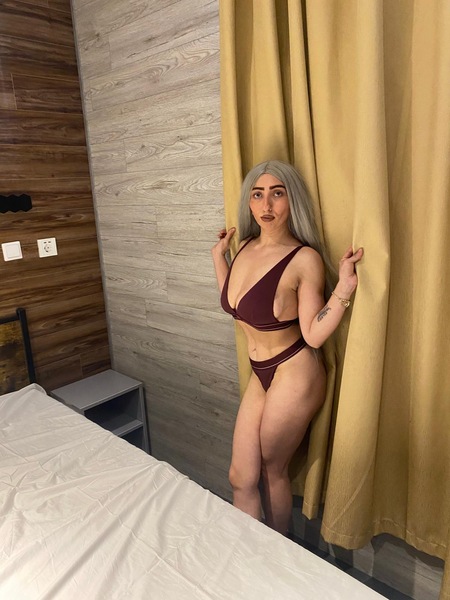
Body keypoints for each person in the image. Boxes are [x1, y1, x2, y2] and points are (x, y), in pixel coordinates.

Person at [211, 160, 363, 535]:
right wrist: (218, 258)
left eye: (277, 194)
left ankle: (281, 553)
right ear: (248, 203)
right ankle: (248, 552)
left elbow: (313, 334)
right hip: (261, 373)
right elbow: (234, 301)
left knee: (271, 469)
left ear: (291, 200)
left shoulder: (304, 259)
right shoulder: (245, 247)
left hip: (295, 371)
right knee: (240, 477)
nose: (266, 205)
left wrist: (344, 288)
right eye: (257, 195)